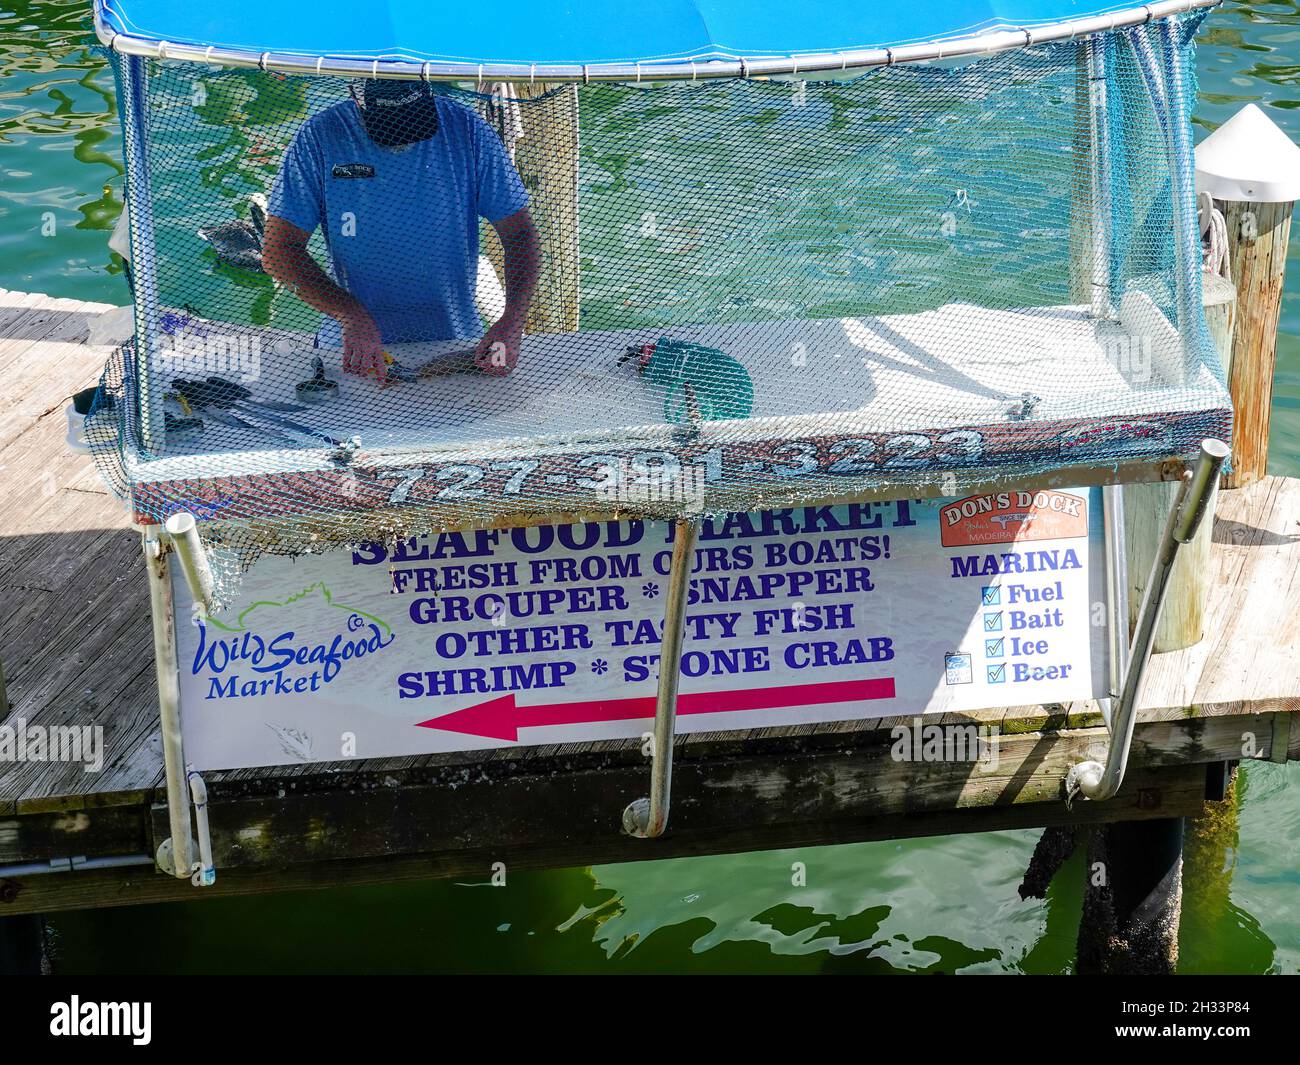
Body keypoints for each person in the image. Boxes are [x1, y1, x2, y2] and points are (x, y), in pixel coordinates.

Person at [263, 79, 540, 382]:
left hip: (457, 345)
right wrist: (350, 315)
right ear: (358, 99)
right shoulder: (318, 136)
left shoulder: (469, 130)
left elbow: (519, 233)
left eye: (413, 122)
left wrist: (512, 320)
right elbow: (278, 251)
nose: (401, 137)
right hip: (353, 351)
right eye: (388, 125)